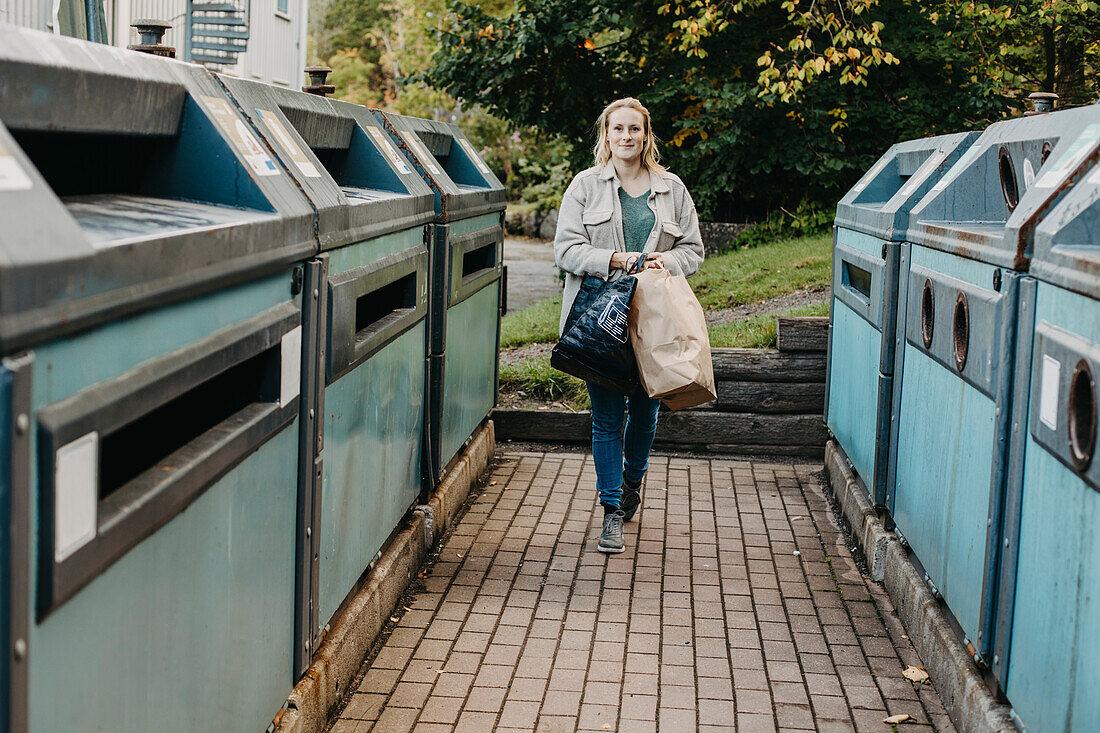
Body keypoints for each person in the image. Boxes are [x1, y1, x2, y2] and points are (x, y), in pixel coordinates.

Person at [553, 97, 704, 554]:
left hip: (654, 319)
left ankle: (633, 481)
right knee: (605, 418)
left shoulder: (671, 188)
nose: (626, 137)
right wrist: (613, 259)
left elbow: (693, 250)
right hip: (601, 318)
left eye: (634, 130)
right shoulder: (584, 187)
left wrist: (665, 260)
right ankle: (612, 509)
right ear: (606, 135)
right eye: (617, 129)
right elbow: (565, 250)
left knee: (646, 411)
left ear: (645, 135)